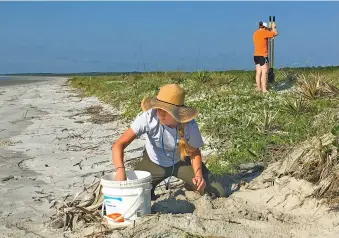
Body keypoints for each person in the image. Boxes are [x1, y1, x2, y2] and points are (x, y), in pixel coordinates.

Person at [112, 83, 226, 200]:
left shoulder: (189, 126)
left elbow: (194, 152)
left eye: (165, 111)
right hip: (153, 161)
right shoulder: (148, 117)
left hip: (181, 161)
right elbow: (118, 145)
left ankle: (190, 184)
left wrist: (198, 175)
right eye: (158, 108)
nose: (160, 113)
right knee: (132, 194)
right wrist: (120, 169)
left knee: (218, 192)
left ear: (177, 113)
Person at [253, 21, 279, 93]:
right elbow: (276, 33)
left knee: (258, 73)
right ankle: (264, 89)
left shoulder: (255, 33)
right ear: (265, 27)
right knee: (264, 73)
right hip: (263, 55)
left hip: (256, 55)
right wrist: (274, 27)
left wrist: (269, 30)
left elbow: (267, 33)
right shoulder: (264, 32)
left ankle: (258, 88)